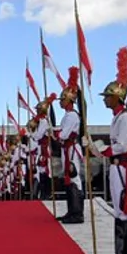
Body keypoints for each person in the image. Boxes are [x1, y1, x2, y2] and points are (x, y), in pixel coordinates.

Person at [85, 48, 127, 254]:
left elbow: (121, 146)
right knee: (119, 213)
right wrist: (95, 148)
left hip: (124, 168)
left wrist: (99, 149)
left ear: (117, 97)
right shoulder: (117, 118)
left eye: (107, 96)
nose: (105, 99)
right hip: (117, 167)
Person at [54, 67, 84, 224]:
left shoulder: (72, 115)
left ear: (69, 100)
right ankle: (71, 211)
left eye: (62, 99)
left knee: (74, 178)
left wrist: (56, 134)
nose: (61, 102)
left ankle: (77, 213)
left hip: (71, 149)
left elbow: (64, 135)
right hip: (67, 149)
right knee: (69, 179)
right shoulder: (67, 116)